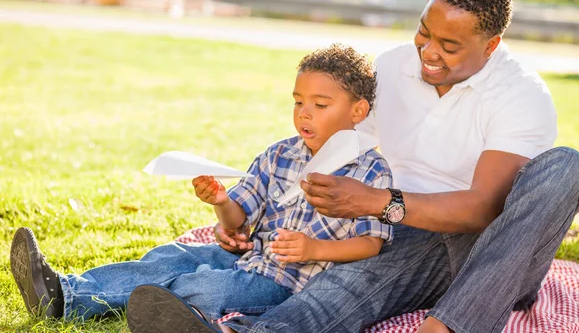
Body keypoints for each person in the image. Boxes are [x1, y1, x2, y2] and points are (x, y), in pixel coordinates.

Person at [126, 0, 579, 333]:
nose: (428, 51)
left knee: (567, 166)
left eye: (449, 45)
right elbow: (340, 150)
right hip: (395, 230)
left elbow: (480, 210)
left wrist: (378, 203)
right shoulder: (393, 68)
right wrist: (259, 214)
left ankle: (449, 326)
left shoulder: (521, 96)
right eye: (424, 32)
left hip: (489, 256)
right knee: (342, 283)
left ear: (491, 46)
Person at [9, 44, 394, 326]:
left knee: (205, 287)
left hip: (287, 283)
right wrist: (221, 200)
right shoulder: (281, 154)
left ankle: (178, 316)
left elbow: (371, 243)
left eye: (320, 105)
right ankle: (64, 294)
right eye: (298, 102)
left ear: (358, 111)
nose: (304, 114)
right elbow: (238, 217)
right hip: (247, 257)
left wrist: (314, 247)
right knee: (170, 257)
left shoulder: (370, 171)